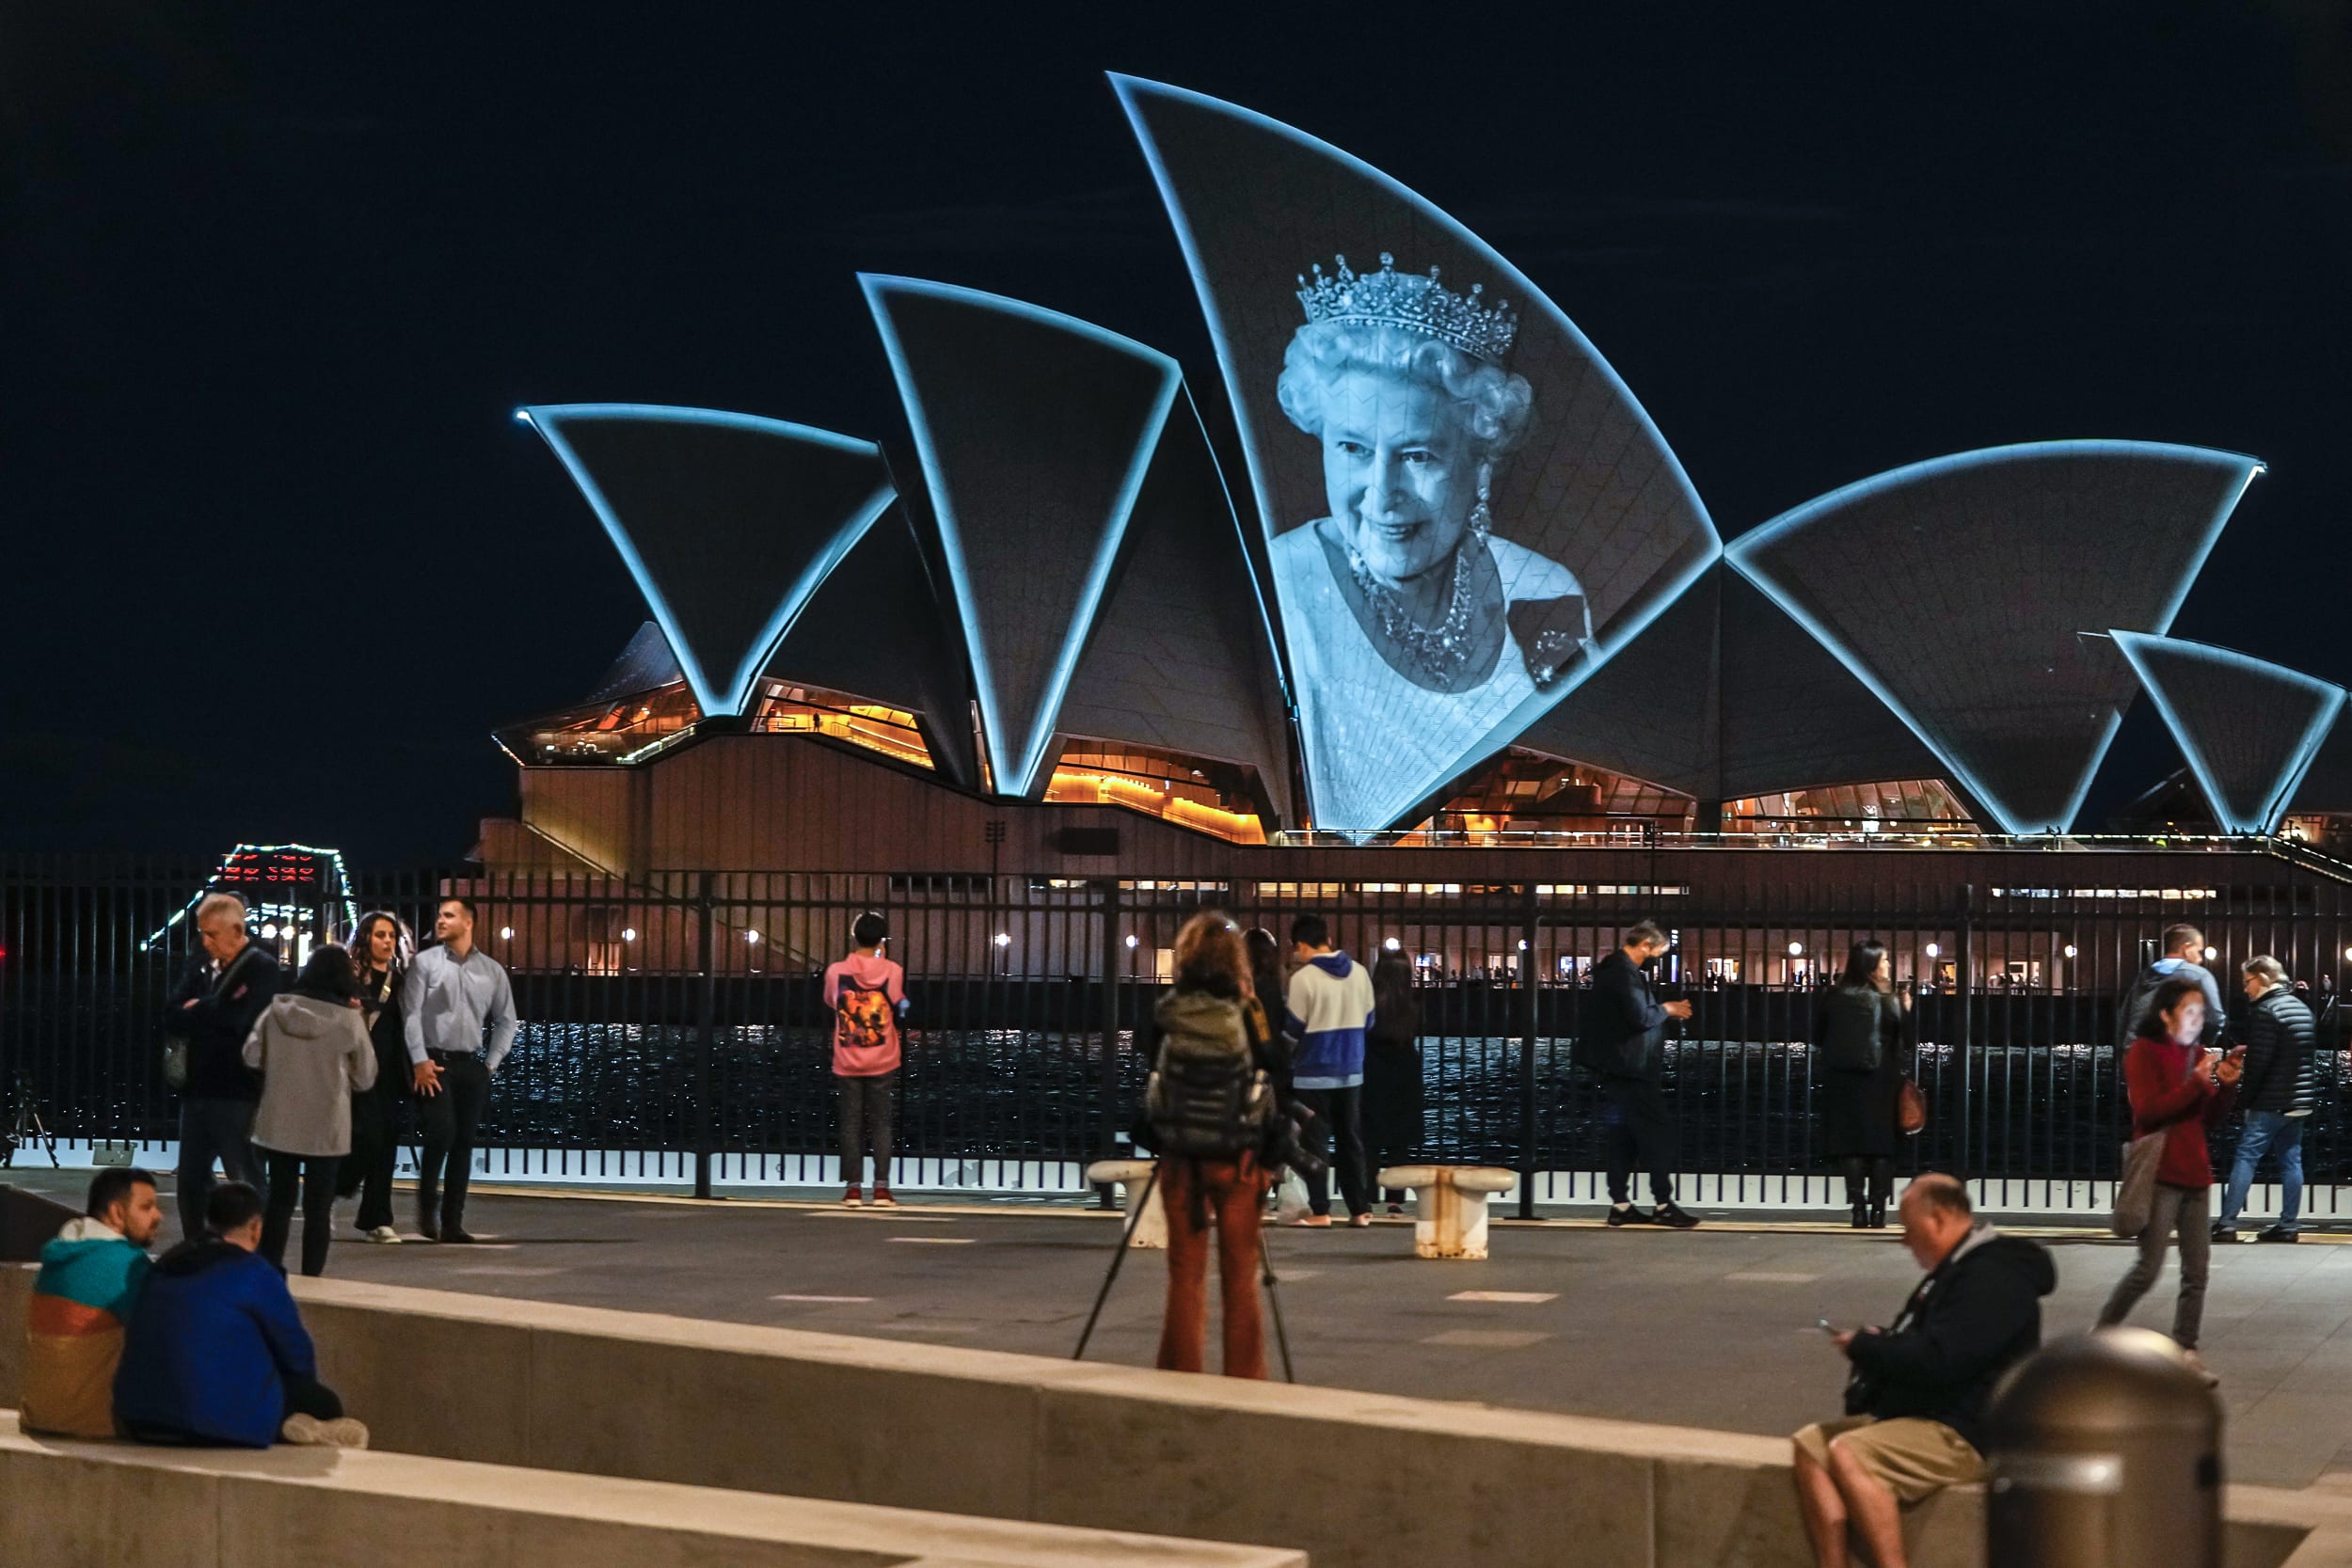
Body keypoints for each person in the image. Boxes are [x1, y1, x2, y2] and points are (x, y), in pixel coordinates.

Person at [1271, 253, 1595, 829]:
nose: (1382, 492)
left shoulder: (1543, 590)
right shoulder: (1279, 586)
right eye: (1352, 449)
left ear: (1480, 461)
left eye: (1417, 455)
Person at [1791, 1174, 2056, 1568]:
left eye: (1909, 1227)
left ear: (1939, 1218)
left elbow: (1941, 1361)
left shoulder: (1993, 1277)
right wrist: (1885, 1342)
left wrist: (1867, 1348)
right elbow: (1935, 1345)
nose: (1904, 1239)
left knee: (1851, 1453)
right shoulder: (1959, 1269)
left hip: (1968, 1431)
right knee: (1810, 1444)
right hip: (1933, 1416)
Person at [1140, 911, 1288, 1378]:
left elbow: (1150, 1071)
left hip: (1181, 1161)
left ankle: (1180, 1379)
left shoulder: (1168, 1009)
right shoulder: (1250, 1010)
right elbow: (1276, 1070)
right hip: (1238, 1161)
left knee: (1184, 1277)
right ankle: (1245, 1384)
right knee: (1240, 1282)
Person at [114, 1180, 369, 1449]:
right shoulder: (254, 1272)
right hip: (211, 1425)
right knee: (322, 1401)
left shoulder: (165, 1264)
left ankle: (289, 1423)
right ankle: (289, 1423)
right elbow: (295, 1351)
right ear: (256, 1227)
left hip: (139, 1417)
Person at [2096, 974, 2242, 1384]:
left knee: (2197, 1271)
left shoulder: (2195, 1054)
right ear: (2166, 1014)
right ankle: (2101, 1335)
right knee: (2148, 1267)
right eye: (2189, 1011)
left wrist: (2226, 1085)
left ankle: (2186, 1349)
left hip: (2195, 1170)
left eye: (2202, 1012)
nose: (2198, 1019)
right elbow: (2149, 1112)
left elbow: (2209, 1118)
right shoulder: (2144, 1052)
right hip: (2161, 1171)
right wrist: (2198, 1082)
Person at [244, 944, 378, 1276]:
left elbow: (250, 1055)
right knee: (318, 1208)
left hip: (280, 1122)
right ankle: (312, 1279)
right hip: (326, 1126)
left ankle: (268, 1274)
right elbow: (365, 1078)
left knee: (278, 1204)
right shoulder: (348, 1020)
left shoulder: (276, 1011)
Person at [163, 892, 282, 1236]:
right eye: (202, 933)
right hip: (198, 1087)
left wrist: (197, 1008)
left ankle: (256, 1248)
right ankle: (198, 1246)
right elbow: (171, 1014)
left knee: (245, 1175)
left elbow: (242, 1022)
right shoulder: (200, 964)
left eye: (212, 934)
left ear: (236, 929)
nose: (205, 941)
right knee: (191, 1179)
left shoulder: (262, 967)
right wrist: (213, 1007)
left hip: (238, 1091)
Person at [402, 895, 519, 1243]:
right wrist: (420, 1059)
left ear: (468, 923)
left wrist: (492, 1064)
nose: (440, 920)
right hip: (434, 1062)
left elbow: (506, 1021)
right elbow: (411, 1015)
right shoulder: (424, 964)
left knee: (464, 1142)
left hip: (472, 1066)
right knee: (441, 1132)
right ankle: (427, 1205)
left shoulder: (492, 971)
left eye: (448, 915)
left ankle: (453, 1222)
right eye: (439, 914)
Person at [20, 1167, 163, 1437]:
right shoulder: (127, 1264)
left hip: (38, 1413)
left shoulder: (59, 1254)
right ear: (117, 1213)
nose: (158, 1216)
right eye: (147, 1207)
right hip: (97, 1422)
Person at [1577, 919, 1698, 1228]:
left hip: (1618, 1067)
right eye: (1658, 950)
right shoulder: (1624, 975)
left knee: (1623, 1137)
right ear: (1645, 945)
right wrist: (1668, 1009)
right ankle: (1662, 1204)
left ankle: (1620, 1204)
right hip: (1633, 1070)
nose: (1657, 955)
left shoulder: (1613, 971)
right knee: (1659, 1133)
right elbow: (1639, 1017)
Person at [1283, 912, 1376, 1227]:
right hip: (1351, 1068)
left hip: (1312, 1072)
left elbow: (1293, 1030)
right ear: (1329, 940)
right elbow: (1369, 1021)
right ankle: (1360, 1210)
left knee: (1315, 1143)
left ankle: (1321, 1211)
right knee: (1351, 1140)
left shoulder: (1302, 980)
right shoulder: (1361, 974)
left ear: (1300, 946)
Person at [2216, 956, 2316, 1243]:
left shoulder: (2265, 1011)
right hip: (2299, 1100)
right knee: (2291, 1160)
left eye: (2247, 982)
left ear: (2261, 979)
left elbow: (2260, 1063)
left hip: (2269, 1101)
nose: (2245, 989)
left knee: (2247, 1156)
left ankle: (2226, 1224)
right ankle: (2288, 1225)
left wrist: (2244, 1101)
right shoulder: (2301, 1008)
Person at [1817, 942, 1911, 1229]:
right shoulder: (1889, 999)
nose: (1888, 965)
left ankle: (1858, 1208)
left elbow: (1819, 1035)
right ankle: (1879, 1210)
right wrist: (1906, 1009)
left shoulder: (1833, 995)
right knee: (1881, 1146)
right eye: (1884, 960)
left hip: (1843, 1077)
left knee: (1851, 1145)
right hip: (1882, 1078)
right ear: (1871, 965)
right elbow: (1906, 1040)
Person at [824, 911, 907, 1208]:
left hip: (847, 1058)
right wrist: (880, 957)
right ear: (882, 939)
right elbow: (900, 1003)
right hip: (883, 1058)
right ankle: (882, 1189)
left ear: (853, 935)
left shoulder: (836, 971)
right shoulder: (893, 970)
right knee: (881, 1123)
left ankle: (853, 1190)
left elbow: (831, 1002)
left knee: (850, 1123)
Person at [341, 911, 415, 1243]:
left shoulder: (400, 981)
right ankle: (335, 1186)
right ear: (366, 938)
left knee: (385, 1144)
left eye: (391, 936)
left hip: (388, 1074)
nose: (386, 941)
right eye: (380, 935)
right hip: (353, 1072)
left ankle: (377, 1218)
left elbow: (409, 1026)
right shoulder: (350, 978)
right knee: (364, 1137)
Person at [1362, 950, 1423, 1213]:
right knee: (1400, 1140)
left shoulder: (1369, 1000)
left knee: (1368, 1137)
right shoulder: (1411, 1003)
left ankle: (1365, 1195)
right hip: (1405, 1069)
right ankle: (1395, 1199)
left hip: (1372, 1068)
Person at [2115, 924, 2224, 1051]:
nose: (2200, 958)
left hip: (2136, 1052)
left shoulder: (2145, 976)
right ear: (2186, 948)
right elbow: (2215, 1018)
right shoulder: (2197, 975)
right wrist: (2202, 1043)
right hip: (2174, 1054)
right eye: (2199, 951)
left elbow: (2124, 1018)